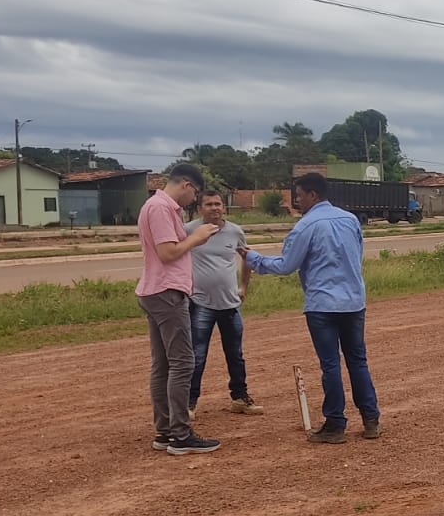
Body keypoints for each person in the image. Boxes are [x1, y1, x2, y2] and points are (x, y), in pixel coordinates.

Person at [241, 173, 381, 443]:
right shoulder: (350, 219)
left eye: (300, 195)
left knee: (330, 365)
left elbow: (285, 266)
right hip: (353, 301)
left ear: (313, 195)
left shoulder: (305, 226)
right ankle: (371, 419)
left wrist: (253, 258)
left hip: (322, 304)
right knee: (357, 361)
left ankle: (335, 425)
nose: (297, 201)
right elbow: (357, 255)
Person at [138, 163, 222, 455]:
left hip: (156, 291)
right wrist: (196, 238)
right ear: (186, 184)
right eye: (196, 193)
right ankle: (180, 434)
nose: (194, 201)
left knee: (163, 365)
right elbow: (167, 252)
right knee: (183, 362)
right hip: (166, 292)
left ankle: (165, 431)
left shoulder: (158, 206)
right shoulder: (161, 208)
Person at [185, 190, 263, 419]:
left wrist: (244, 287)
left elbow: (246, 257)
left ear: (224, 207)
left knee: (235, 354)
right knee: (197, 355)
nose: (214, 208)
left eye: (218, 204)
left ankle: (240, 398)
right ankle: (189, 403)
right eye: (208, 204)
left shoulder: (234, 231)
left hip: (230, 304)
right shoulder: (189, 230)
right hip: (200, 303)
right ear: (200, 208)